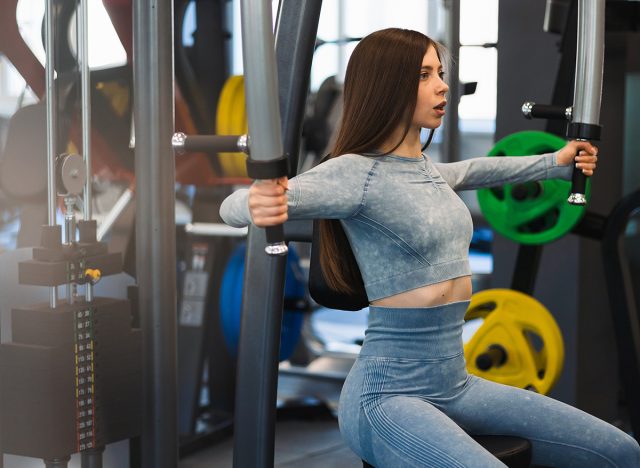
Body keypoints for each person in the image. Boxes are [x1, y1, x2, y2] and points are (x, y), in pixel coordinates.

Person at [220, 28, 640, 468]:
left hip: (454, 383)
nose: (442, 85)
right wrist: (254, 200)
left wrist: (554, 164)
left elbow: (477, 169)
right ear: (388, 85)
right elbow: (233, 209)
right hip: (386, 395)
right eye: (424, 75)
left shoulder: (426, 170)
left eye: (439, 72)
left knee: (620, 452)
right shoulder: (354, 174)